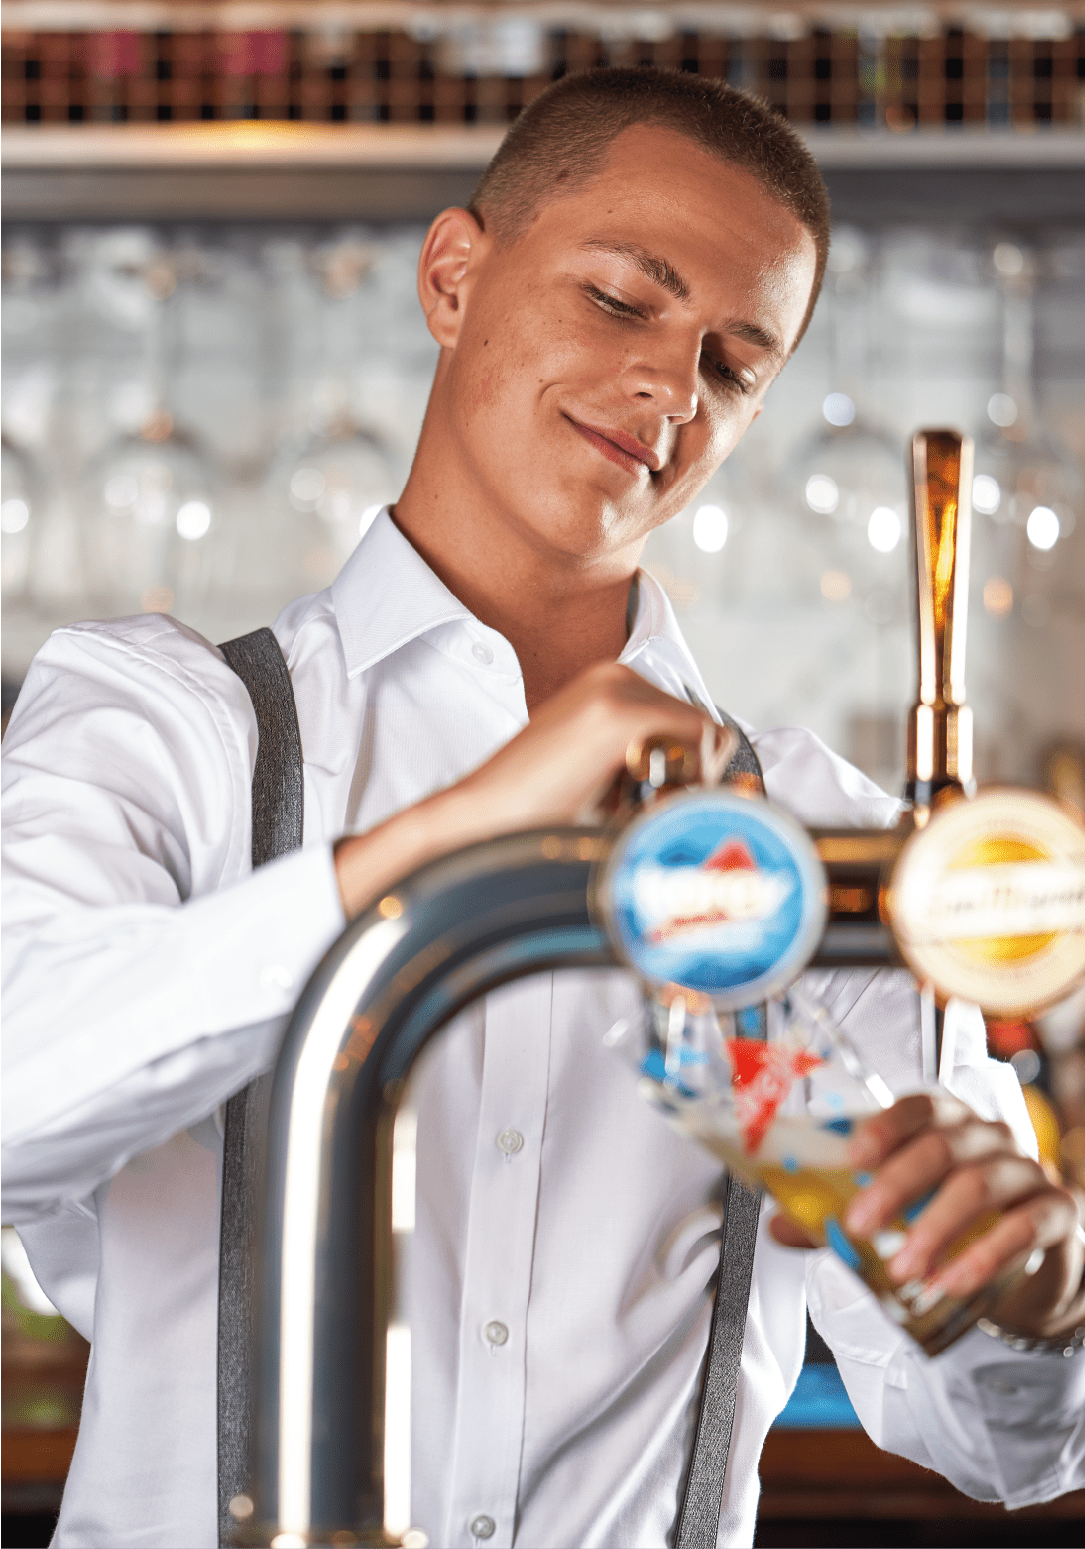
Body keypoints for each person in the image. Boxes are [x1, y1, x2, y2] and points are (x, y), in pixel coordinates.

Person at [2, 68, 1083, 1549]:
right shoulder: (163, 724)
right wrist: (450, 839)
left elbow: (1000, 1447)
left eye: (733, 363)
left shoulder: (819, 842)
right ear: (454, 275)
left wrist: (1022, 1300)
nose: (668, 389)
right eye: (623, 301)